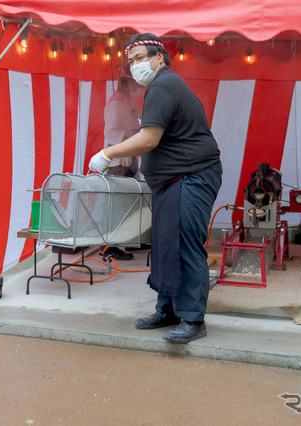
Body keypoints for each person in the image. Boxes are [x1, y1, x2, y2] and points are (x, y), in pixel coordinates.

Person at [88, 33, 223, 344]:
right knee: (164, 244)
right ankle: (168, 309)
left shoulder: (163, 85)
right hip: (172, 181)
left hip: (191, 177)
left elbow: (149, 139)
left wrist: (107, 153)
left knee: (186, 245)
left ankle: (193, 319)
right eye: (131, 62)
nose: (135, 66)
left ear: (159, 58)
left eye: (140, 59)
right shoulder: (162, 86)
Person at [101, 73, 144, 261]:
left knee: (136, 198)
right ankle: (110, 246)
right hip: (118, 160)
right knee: (117, 204)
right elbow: (110, 132)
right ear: (132, 82)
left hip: (130, 155)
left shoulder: (128, 101)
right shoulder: (116, 103)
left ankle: (133, 238)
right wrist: (128, 143)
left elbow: (136, 123)